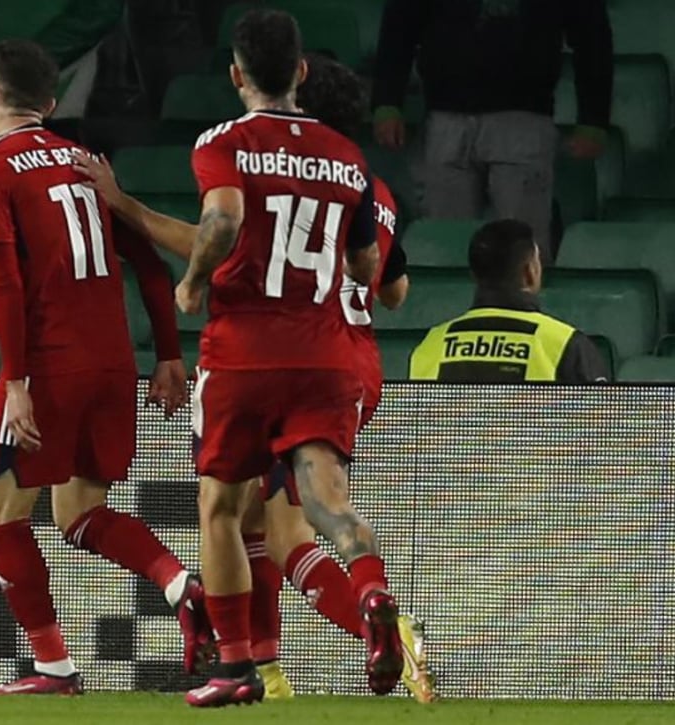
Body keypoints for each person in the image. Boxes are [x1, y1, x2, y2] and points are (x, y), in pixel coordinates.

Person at [75, 9, 403, 706]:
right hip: (324, 355)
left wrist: (194, 279)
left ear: (235, 74)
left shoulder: (226, 140)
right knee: (326, 503)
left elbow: (220, 219)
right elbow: (369, 260)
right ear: (302, 71)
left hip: (246, 352)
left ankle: (237, 666)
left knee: (222, 506)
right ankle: (374, 595)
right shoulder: (347, 159)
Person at [0, 38, 210, 696]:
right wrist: (171, 355)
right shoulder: (86, 165)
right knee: (79, 511)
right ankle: (183, 585)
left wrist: (15, 381)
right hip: (113, 362)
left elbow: (4, 281)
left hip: (48, 366)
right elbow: (150, 265)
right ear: (49, 104)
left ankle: (53, 666)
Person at [235, 53, 436, 705]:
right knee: (270, 524)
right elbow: (397, 288)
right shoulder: (370, 187)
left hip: (297, 357)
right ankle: (277, 669)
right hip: (356, 365)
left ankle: (281, 665)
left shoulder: (289, 176)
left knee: (265, 529)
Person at [372, 0, 613, 260]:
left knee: (522, 249)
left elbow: (591, 33)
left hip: (522, 121)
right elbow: (399, 26)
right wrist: (387, 102)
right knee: (447, 246)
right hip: (448, 118)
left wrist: (593, 119)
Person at [410, 219, 610, 383]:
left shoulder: (431, 344)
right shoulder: (566, 344)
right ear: (529, 272)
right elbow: (600, 424)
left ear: (475, 275)